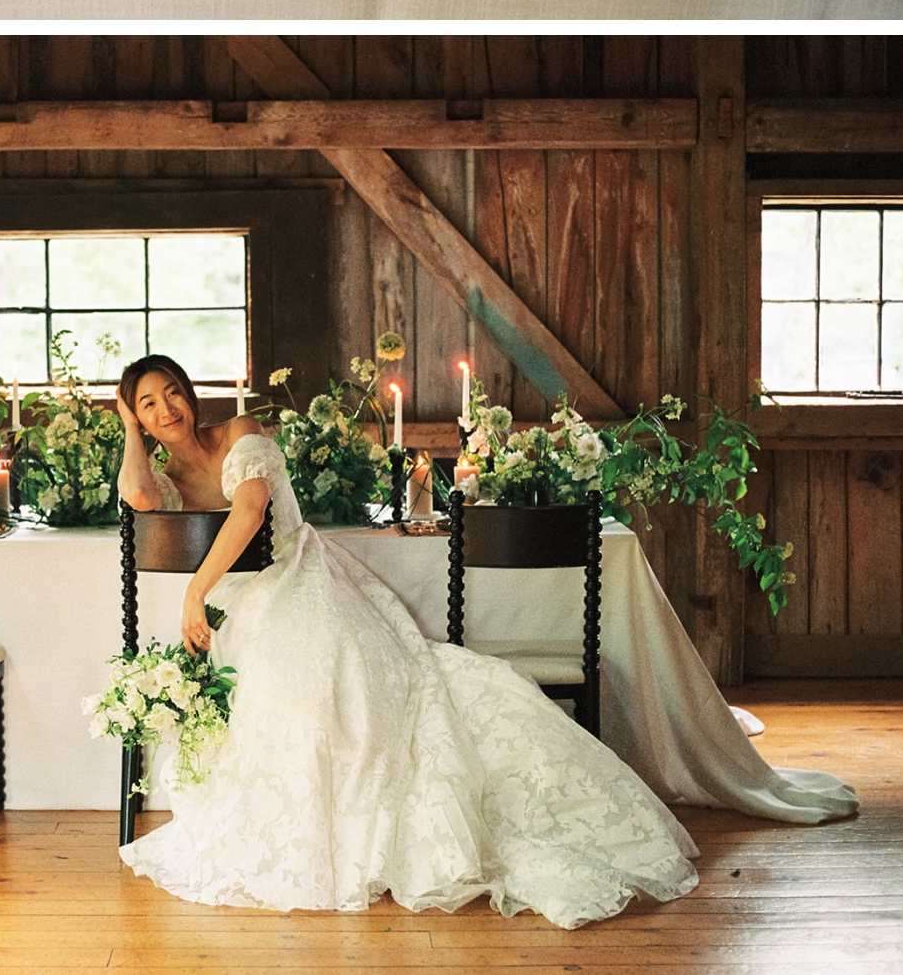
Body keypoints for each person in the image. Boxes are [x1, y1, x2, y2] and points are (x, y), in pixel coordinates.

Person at [114, 352, 701, 930]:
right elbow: (139, 497)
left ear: (189, 393)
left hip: (297, 576)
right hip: (239, 601)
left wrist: (196, 590)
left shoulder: (240, 431)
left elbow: (251, 509)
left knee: (320, 667)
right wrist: (125, 427)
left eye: (171, 392)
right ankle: (301, 831)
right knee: (263, 674)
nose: (166, 407)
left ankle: (368, 820)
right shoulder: (165, 475)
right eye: (147, 404)